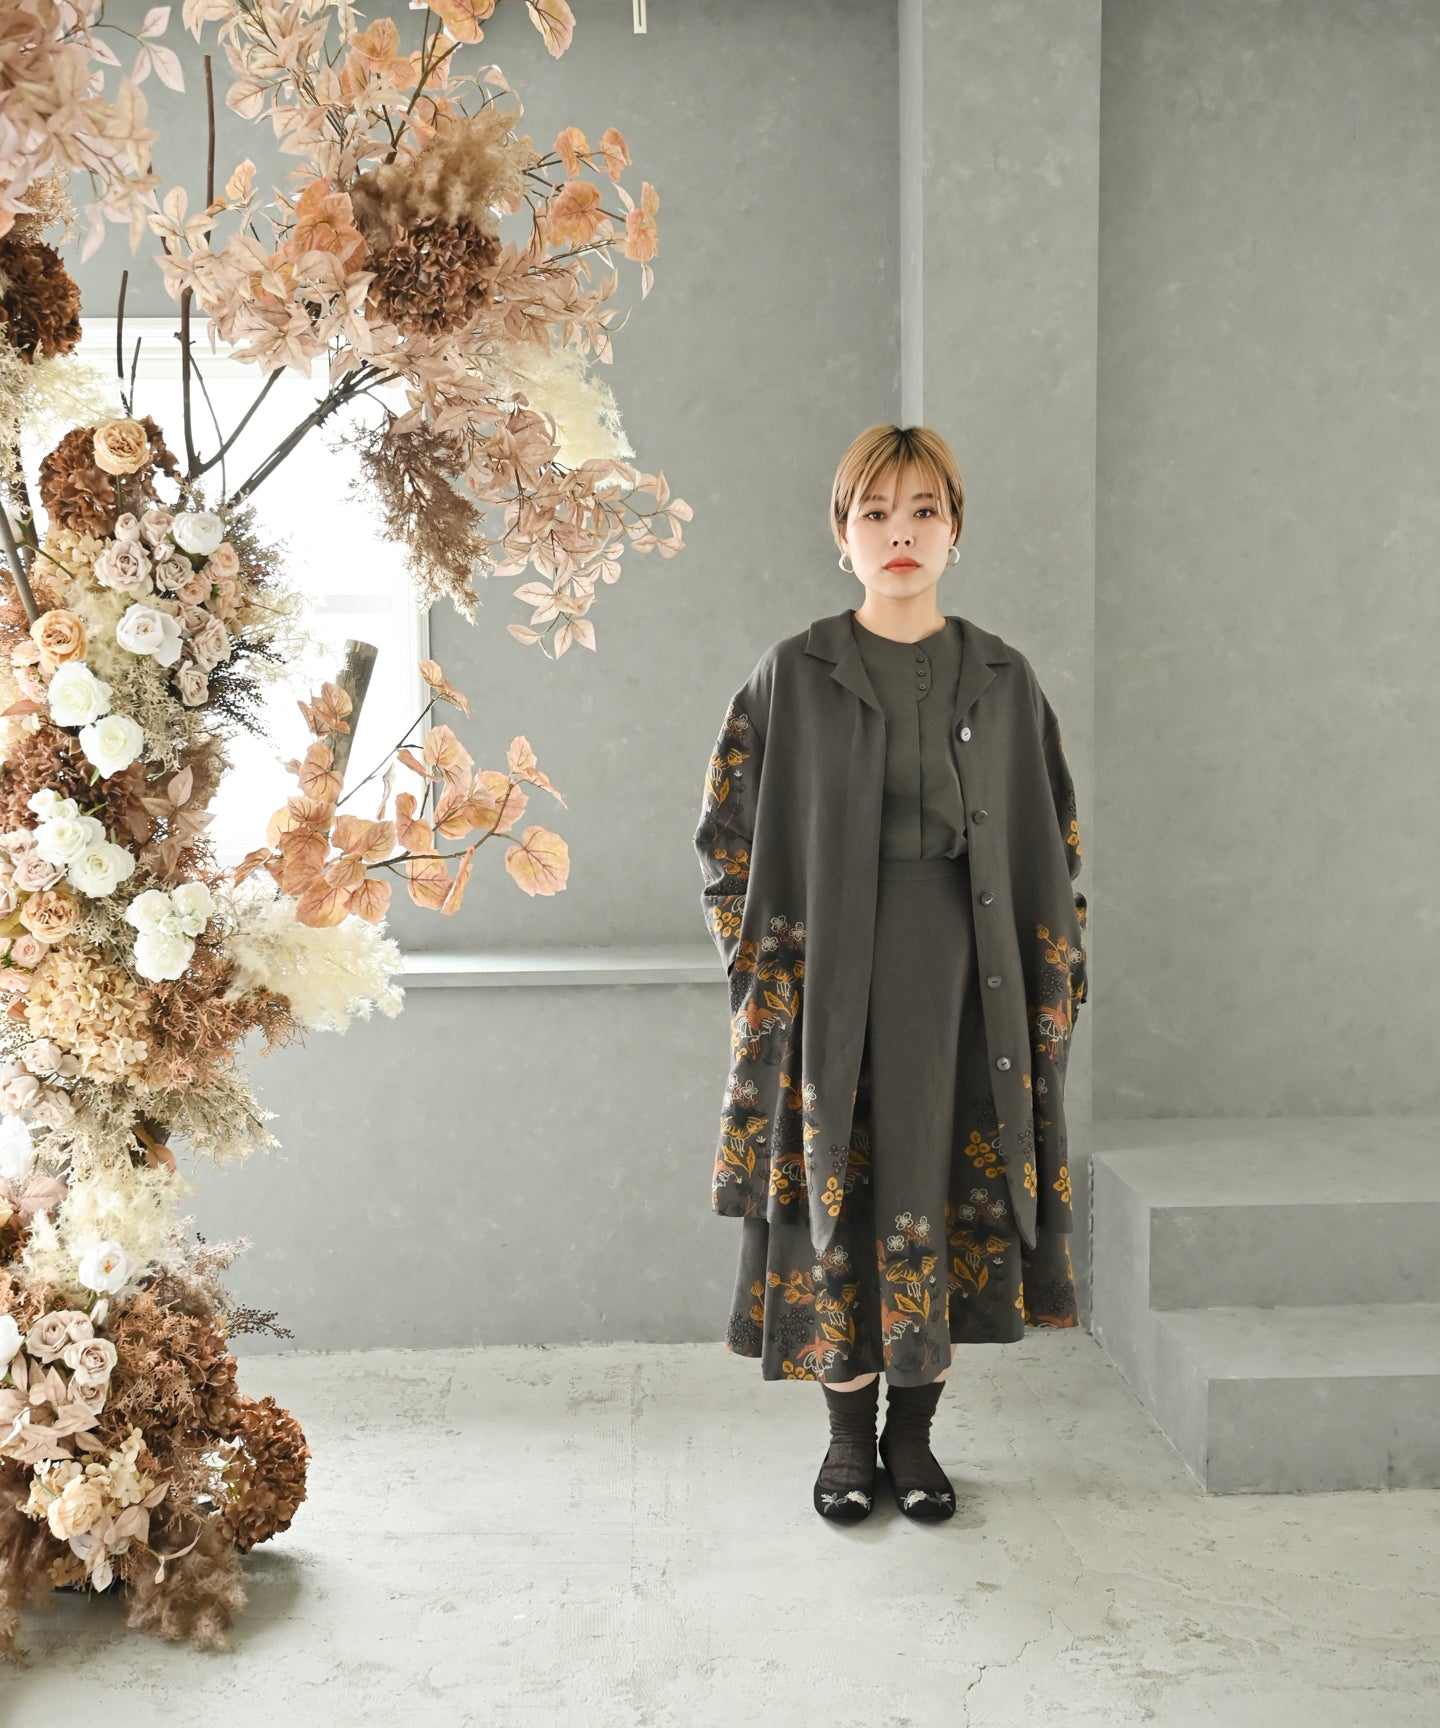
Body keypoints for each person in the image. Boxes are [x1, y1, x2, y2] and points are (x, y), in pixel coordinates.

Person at [694, 424, 1088, 1523]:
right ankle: (844, 1443)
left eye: (923, 512)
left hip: (969, 988)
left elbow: (1054, 837)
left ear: (956, 532)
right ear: (842, 534)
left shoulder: (1004, 677)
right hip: (830, 987)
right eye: (875, 512)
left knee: (938, 1191)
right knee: (847, 1196)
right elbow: (726, 840)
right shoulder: (792, 674)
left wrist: (1053, 982)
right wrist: (768, 984)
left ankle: (913, 1441)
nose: (900, 533)